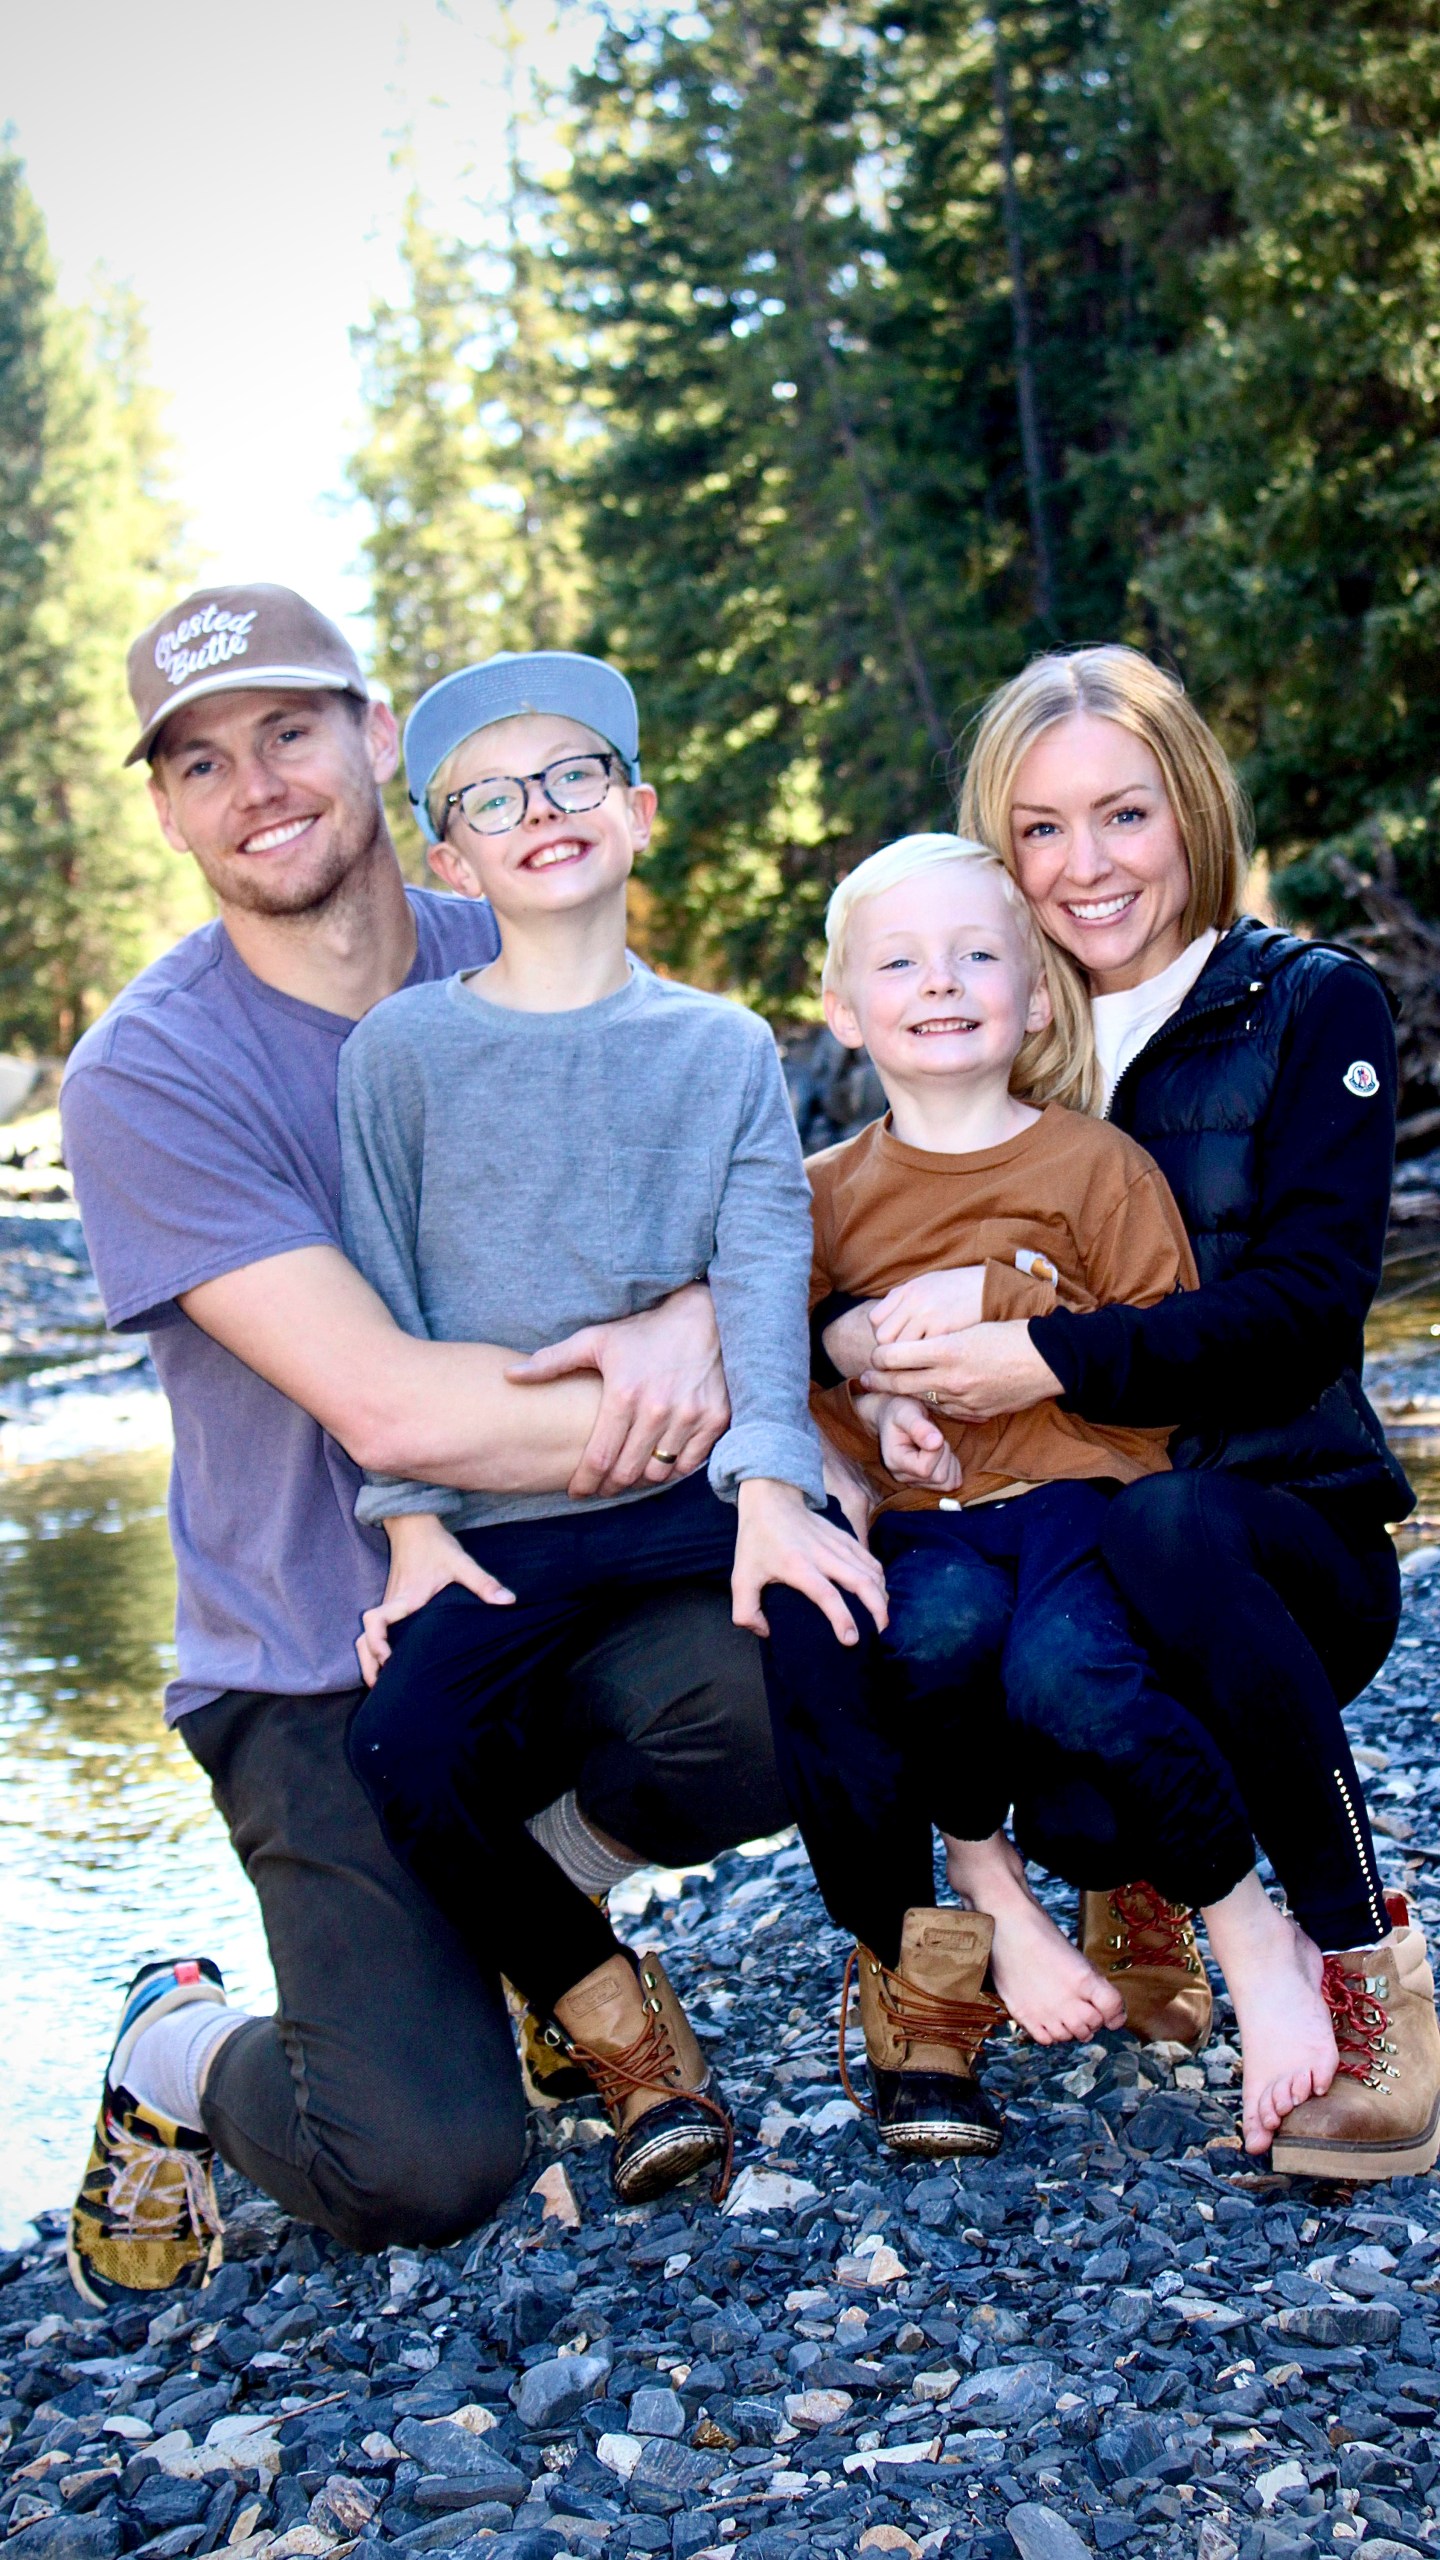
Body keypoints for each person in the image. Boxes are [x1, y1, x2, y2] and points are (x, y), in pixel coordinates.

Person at [58, 587, 792, 2303]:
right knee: (425, 2167)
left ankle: (534, 1901)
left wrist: (709, 1319)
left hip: (557, 1584)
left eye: (291, 730)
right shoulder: (151, 1076)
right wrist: (716, 1380)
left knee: (787, 1666)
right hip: (316, 1655)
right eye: (202, 760)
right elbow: (390, 1408)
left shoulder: (520, 930)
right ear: (168, 809)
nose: (258, 785)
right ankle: (172, 2045)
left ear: (381, 739)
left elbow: (742, 1182)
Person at [822, 646, 1440, 2182]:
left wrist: (1042, 1355)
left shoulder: (1314, 1008)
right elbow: (855, 1254)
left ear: (1193, 815)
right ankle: (1106, 1885)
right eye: (1039, 830)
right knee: (1050, 1737)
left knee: (1168, 1534)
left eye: (1124, 816)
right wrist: (856, 1348)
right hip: (1053, 1539)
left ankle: (1374, 1978)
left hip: (1276, 1536)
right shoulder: (993, 1016)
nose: (1085, 866)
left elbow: (1300, 1312)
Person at [335, 651, 883, 2206]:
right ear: (454, 859)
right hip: (505, 1517)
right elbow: (380, 1288)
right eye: (491, 799)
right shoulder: (402, 1057)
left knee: (833, 1609)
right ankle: (616, 2026)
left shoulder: (716, 1046)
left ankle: (915, 1989)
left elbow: (764, 1261)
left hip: (683, 1488)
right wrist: (414, 1528)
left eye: (574, 776)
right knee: (403, 1743)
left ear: (636, 813)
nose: (541, 811)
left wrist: (777, 1483)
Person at [764, 830, 1343, 2161]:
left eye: (979, 956)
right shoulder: (821, 1198)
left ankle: (1251, 1937)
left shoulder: (1093, 1167)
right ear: (845, 1010)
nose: (943, 982)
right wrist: (872, 1419)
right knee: (931, 1645)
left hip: (1088, 1502)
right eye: (900, 962)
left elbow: (1164, 1351)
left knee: (1074, 1680)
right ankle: (990, 1883)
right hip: (932, 1525)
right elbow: (779, 1370)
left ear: (1034, 995)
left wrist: (1007, 1299)